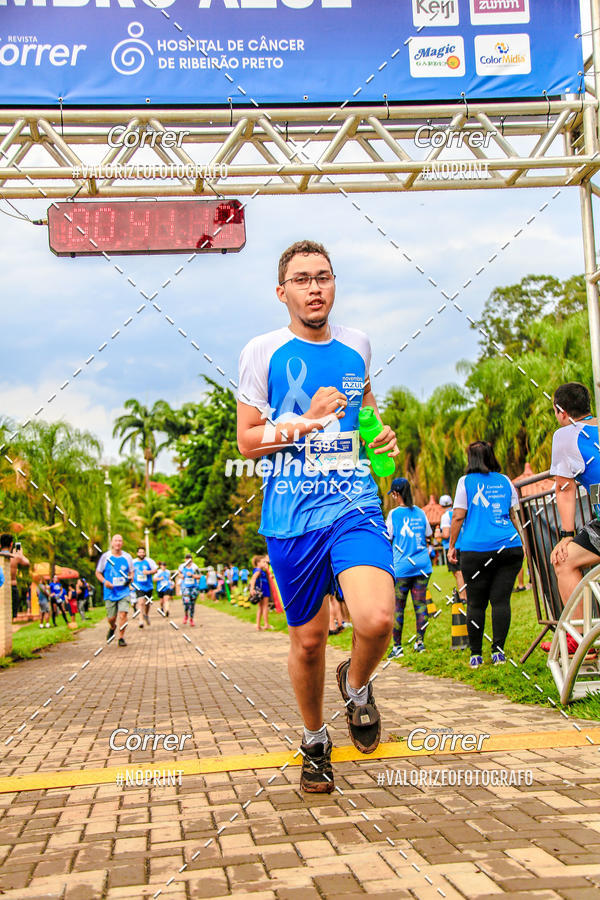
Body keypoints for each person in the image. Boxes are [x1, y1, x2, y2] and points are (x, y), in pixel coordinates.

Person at [236, 239, 397, 794]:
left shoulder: (357, 346)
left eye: (323, 277)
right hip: (291, 516)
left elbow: (365, 419)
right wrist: (304, 421)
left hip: (353, 504)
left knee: (377, 620)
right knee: (307, 642)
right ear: (282, 292)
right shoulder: (262, 351)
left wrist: (382, 440)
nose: (314, 287)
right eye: (302, 279)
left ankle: (355, 686)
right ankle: (314, 739)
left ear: (335, 284)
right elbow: (248, 443)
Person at [448, 441, 524, 669]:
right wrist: (522, 543)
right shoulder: (505, 481)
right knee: (501, 601)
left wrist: (452, 546)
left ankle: (476, 654)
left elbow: (458, 517)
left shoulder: (466, 482)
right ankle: (498, 653)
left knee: (476, 603)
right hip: (509, 547)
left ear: (471, 459)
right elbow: (514, 515)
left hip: (476, 550)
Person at [549, 383, 600, 606]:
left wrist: (566, 535)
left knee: (563, 561)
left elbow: (565, 489)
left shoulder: (565, 436)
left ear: (562, 412)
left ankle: (577, 639)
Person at [385, 477, 432, 658]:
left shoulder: (394, 514)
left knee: (398, 607)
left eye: (393, 494)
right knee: (420, 605)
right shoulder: (420, 512)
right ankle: (420, 642)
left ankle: (397, 647)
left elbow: (388, 536)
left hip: (402, 567)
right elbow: (428, 533)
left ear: (396, 494)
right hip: (422, 566)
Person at [96, 534, 134, 647]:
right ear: (112, 543)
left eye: (120, 541)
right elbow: (98, 572)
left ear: (122, 543)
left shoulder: (127, 557)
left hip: (124, 591)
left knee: (123, 614)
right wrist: (104, 582)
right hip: (110, 592)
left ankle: (121, 638)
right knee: (111, 618)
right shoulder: (105, 557)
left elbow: (132, 572)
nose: (118, 543)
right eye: (116, 541)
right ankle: (112, 627)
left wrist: (130, 579)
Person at [440, 493, 466, 601]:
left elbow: (446, 534)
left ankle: (463, 597)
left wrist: (438, 535)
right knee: (464, 572)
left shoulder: (445, 516)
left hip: (452, 546)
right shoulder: (458, 513)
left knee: (458, 573)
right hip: (464, 545)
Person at [0, 534, 30, 618]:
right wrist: (21, 554)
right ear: (11, 544)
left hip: (1, 588)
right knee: (11, 617)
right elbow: (27, 563)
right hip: (12, 587)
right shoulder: (15, 557)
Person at [132, 546, 157, 628]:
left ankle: (146, 615)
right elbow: (130, 573)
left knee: (147, 603)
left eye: (143, 552)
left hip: (148, 586)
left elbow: (155, 570)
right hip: (139, 586)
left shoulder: (149, 561)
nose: (141, 554)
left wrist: (149, 572)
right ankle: (141, 620)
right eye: (140, 552)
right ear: (137, 553)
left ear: (145, 553)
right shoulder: (133, 562)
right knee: (140, 602)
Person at [250, 554, 272, 631]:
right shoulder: (258, 570)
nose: (265, 563)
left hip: (260, 590)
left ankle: (258, 625)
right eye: (263, 562)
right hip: (263, 590)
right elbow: (253, 579)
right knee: (265, 607)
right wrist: (251, 589)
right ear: (258, 563)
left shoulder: (260, 570)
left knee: (260, 607)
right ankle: (266, 624)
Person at [178, 553, 200, 626]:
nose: (188, 561)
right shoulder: (182, 566)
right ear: (185, 560)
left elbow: (199, 576)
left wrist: (192, 575)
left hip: (194, 587)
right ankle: (186, 615)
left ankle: (191, 619)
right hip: (185, 587)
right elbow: (179, 574)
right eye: (186, 559)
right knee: (186, 603)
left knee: (192, 604)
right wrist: (182, 576)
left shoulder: (195, 567)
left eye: (189, 559)